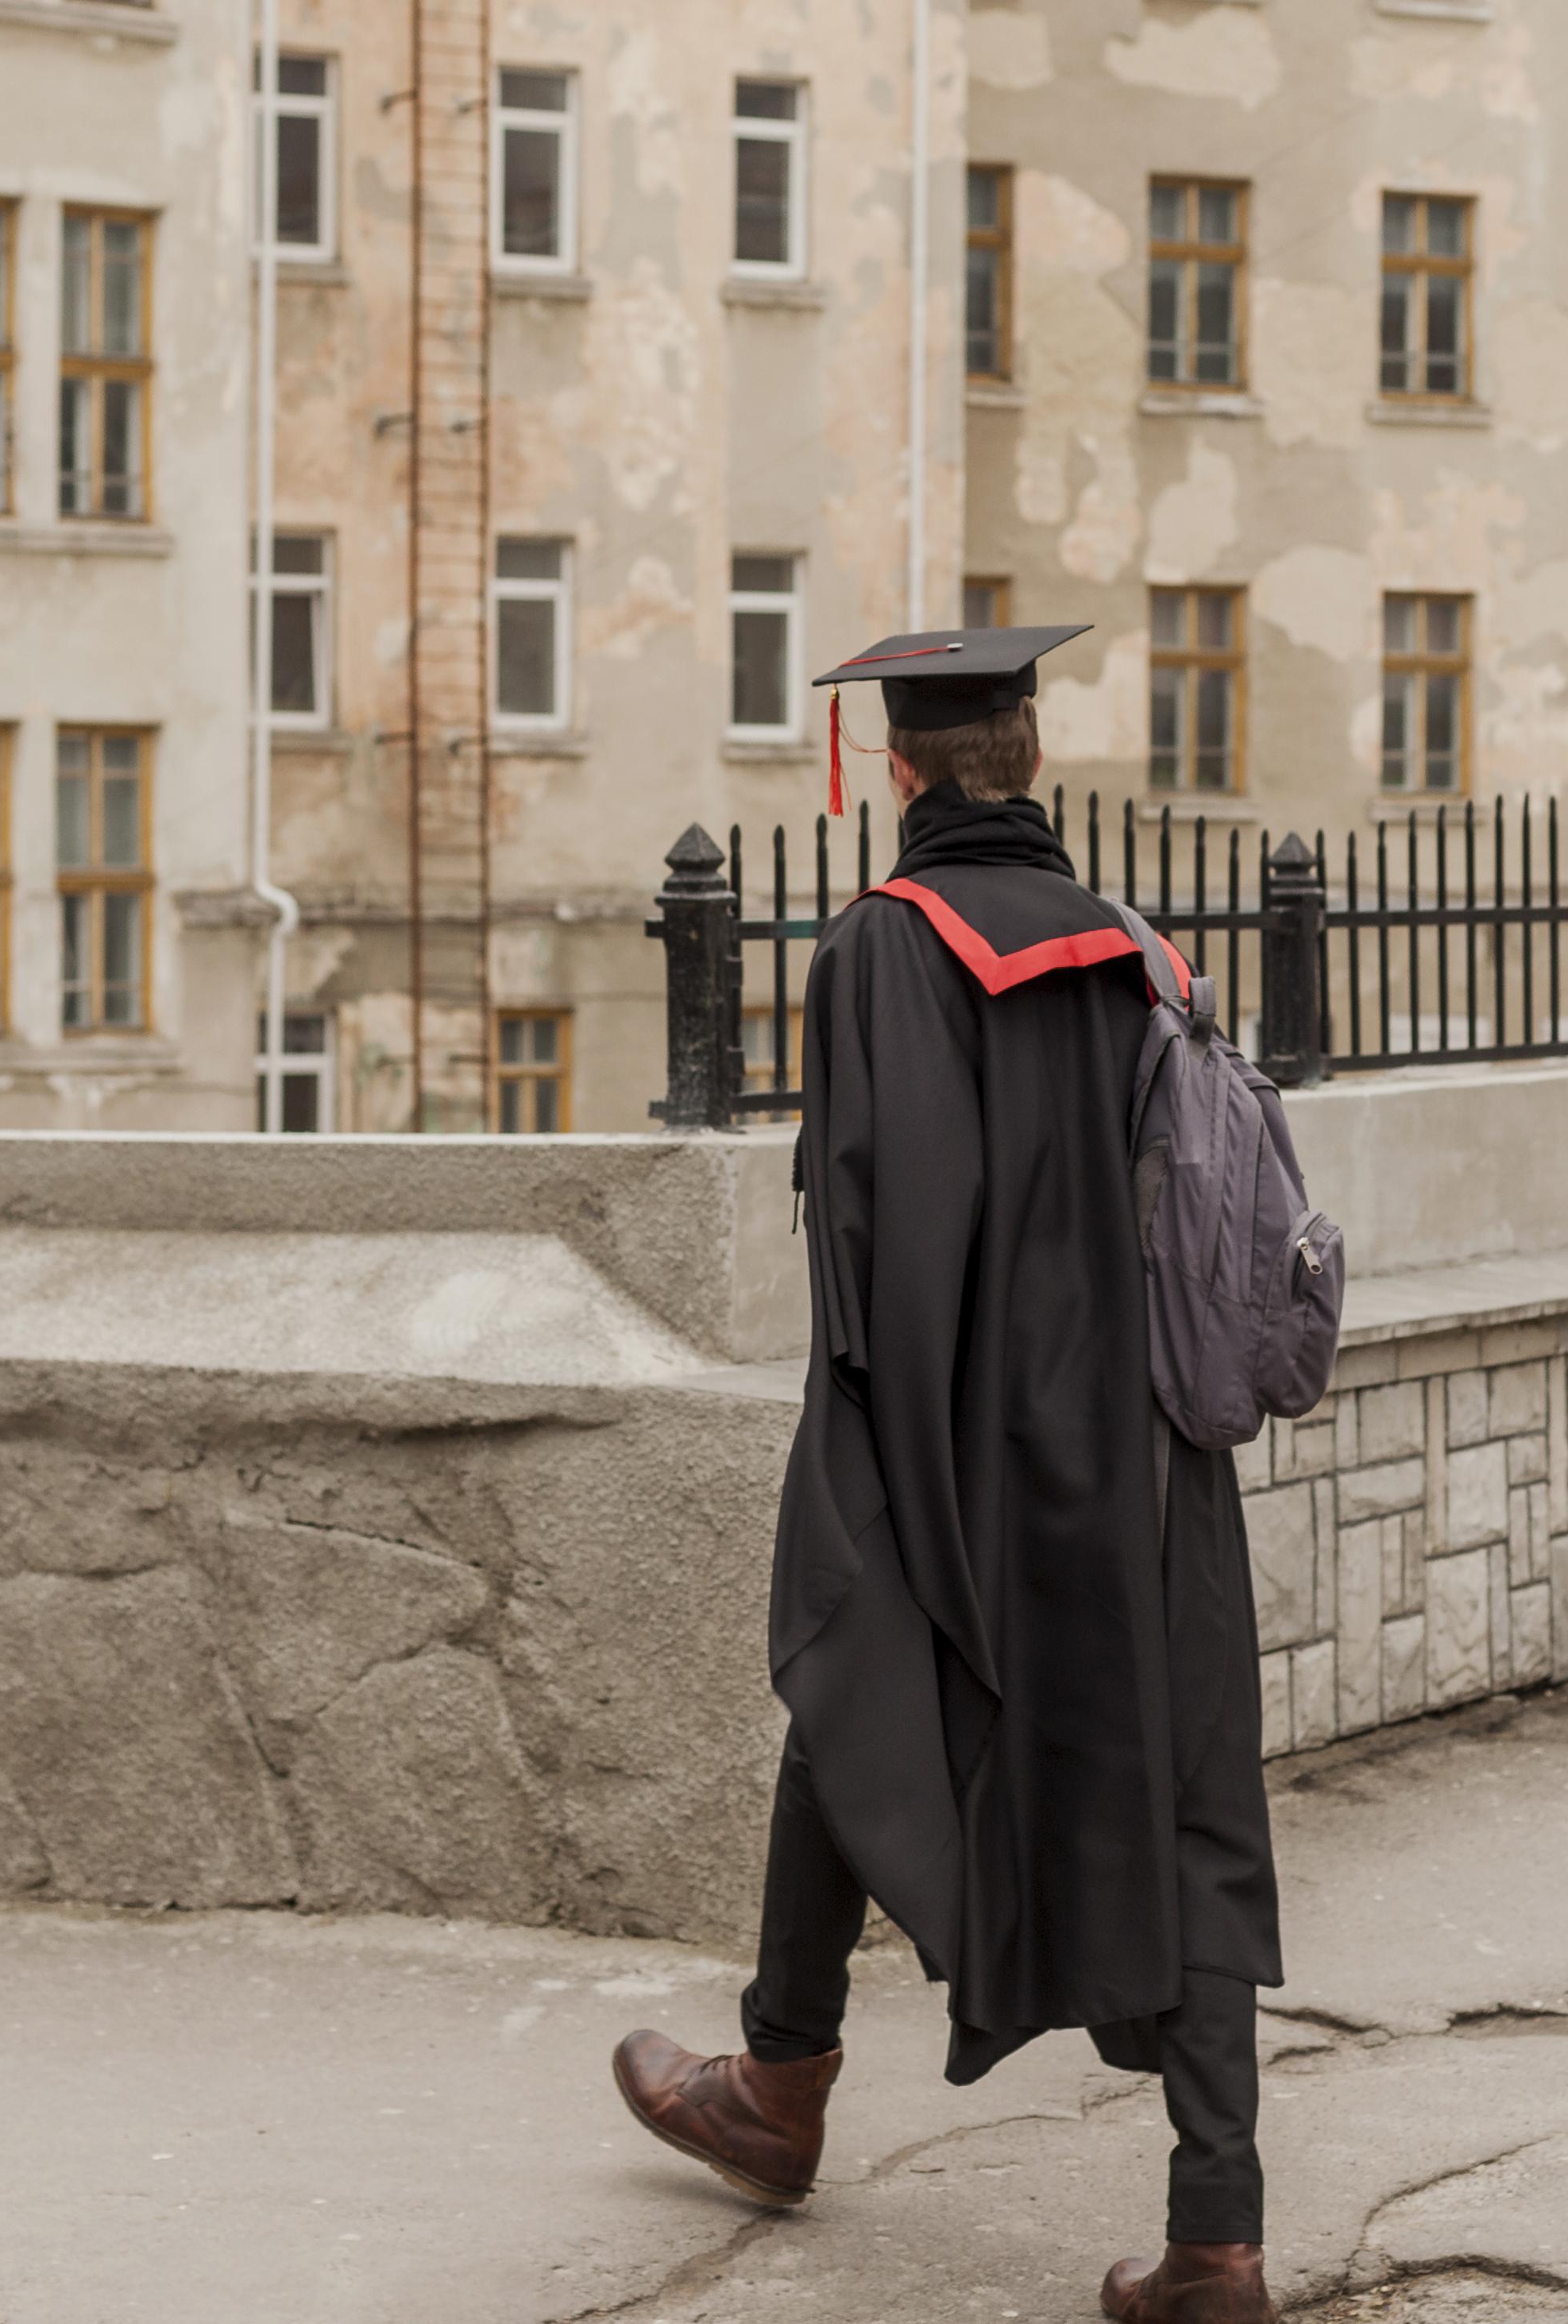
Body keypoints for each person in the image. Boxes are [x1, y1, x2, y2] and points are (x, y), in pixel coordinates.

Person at [610, 625, 1281, 2324]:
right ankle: (1215, 2232)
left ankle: (778, 2086)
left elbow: (882, 1247)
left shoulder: (884, 949)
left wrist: (881, 1481)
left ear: (895, 772)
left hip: (972, 1437)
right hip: (1146, 1459)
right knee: (1185, 1794)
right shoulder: (1140, 951)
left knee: (849, 1683)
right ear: (1032, 761)